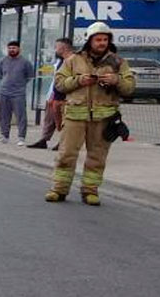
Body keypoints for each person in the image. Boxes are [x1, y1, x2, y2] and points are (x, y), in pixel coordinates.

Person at [46, 22, 135, 206]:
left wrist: (116, 80)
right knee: (66, 154)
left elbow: (129, 88)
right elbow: (60, 83)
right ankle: (59, 189)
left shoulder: (118, 62)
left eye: (105, 39)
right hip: (75, 115)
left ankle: (90, 191)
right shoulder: (73, 60)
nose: (102, 43)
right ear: (89, 41)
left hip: (103, 118)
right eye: (98, 39)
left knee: (97, 156)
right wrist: (79, 81)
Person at [28, 37, 73, 150]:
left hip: (63, 97)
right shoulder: (59, 61)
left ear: (63, 48)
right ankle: (44, 139)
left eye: (57, 47)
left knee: (62, 121)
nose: (55, 49)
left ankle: (62, 142)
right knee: (49, 118)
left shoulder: (72, 61)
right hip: (53, 94)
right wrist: (51, 95)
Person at [0, 40, 35, 146]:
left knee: (21, 116)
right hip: (4, 92)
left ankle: (21, 138)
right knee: (3, 116)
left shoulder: (25, 62)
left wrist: (20, 85)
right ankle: (4, 136)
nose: (12, 50)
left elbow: (29, 76)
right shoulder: (2, 61)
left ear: (19, 49)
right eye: (10, 48)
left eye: (14, 48)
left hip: (18, 93)